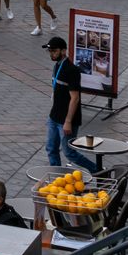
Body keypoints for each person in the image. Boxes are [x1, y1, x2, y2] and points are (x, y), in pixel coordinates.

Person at [45, 36, 98, 171]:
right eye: (50, 51)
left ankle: (99, 170)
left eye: (54, 51)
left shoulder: (72, 70)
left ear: (63, 51)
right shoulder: (56, 66)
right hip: (54, 117)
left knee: (70, 153)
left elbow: (75, 98)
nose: (51, 54)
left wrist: (68, 121)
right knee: (51, 148)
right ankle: (56, 176)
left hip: (67, 120)